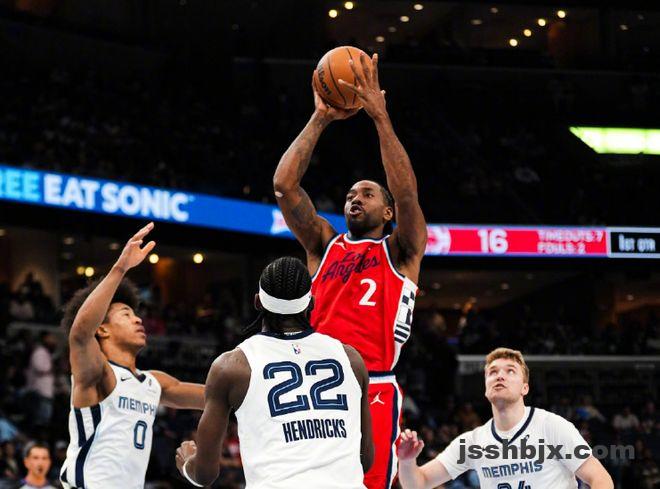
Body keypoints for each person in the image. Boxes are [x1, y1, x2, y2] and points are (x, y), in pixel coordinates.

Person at [273, 52, 427, 489]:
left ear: (388, 212)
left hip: (372, 386)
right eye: (349, 195)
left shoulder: (401, 250)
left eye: (367, 194)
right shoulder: (324, 244)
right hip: (314, 385)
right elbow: (284, 186)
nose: (355, 198)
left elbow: (407, 193)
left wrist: (380, 117)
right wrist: (320, 118)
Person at [175, 257, 374, 488]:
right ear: (311, 303)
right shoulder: (351, 359)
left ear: (257, 302)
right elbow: (365, 460)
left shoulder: (232, 366)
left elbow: (205, 475)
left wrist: (187, 463)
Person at [58, 223, 205, 489]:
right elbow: (79, 334)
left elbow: (216, 396)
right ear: (102, 329)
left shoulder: (154, 383)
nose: (138, 319)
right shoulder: (99, 373)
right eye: (126, 314)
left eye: (136, 314)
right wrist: (120, 268)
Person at [397, 348, 614, 489]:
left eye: (510, 371)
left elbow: (600, 479)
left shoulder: (552, 427)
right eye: (493, 372)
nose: (500, 375)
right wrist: (406, 461)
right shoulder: (473, 442)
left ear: (525, 388)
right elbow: (419, 483)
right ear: (486, 388)